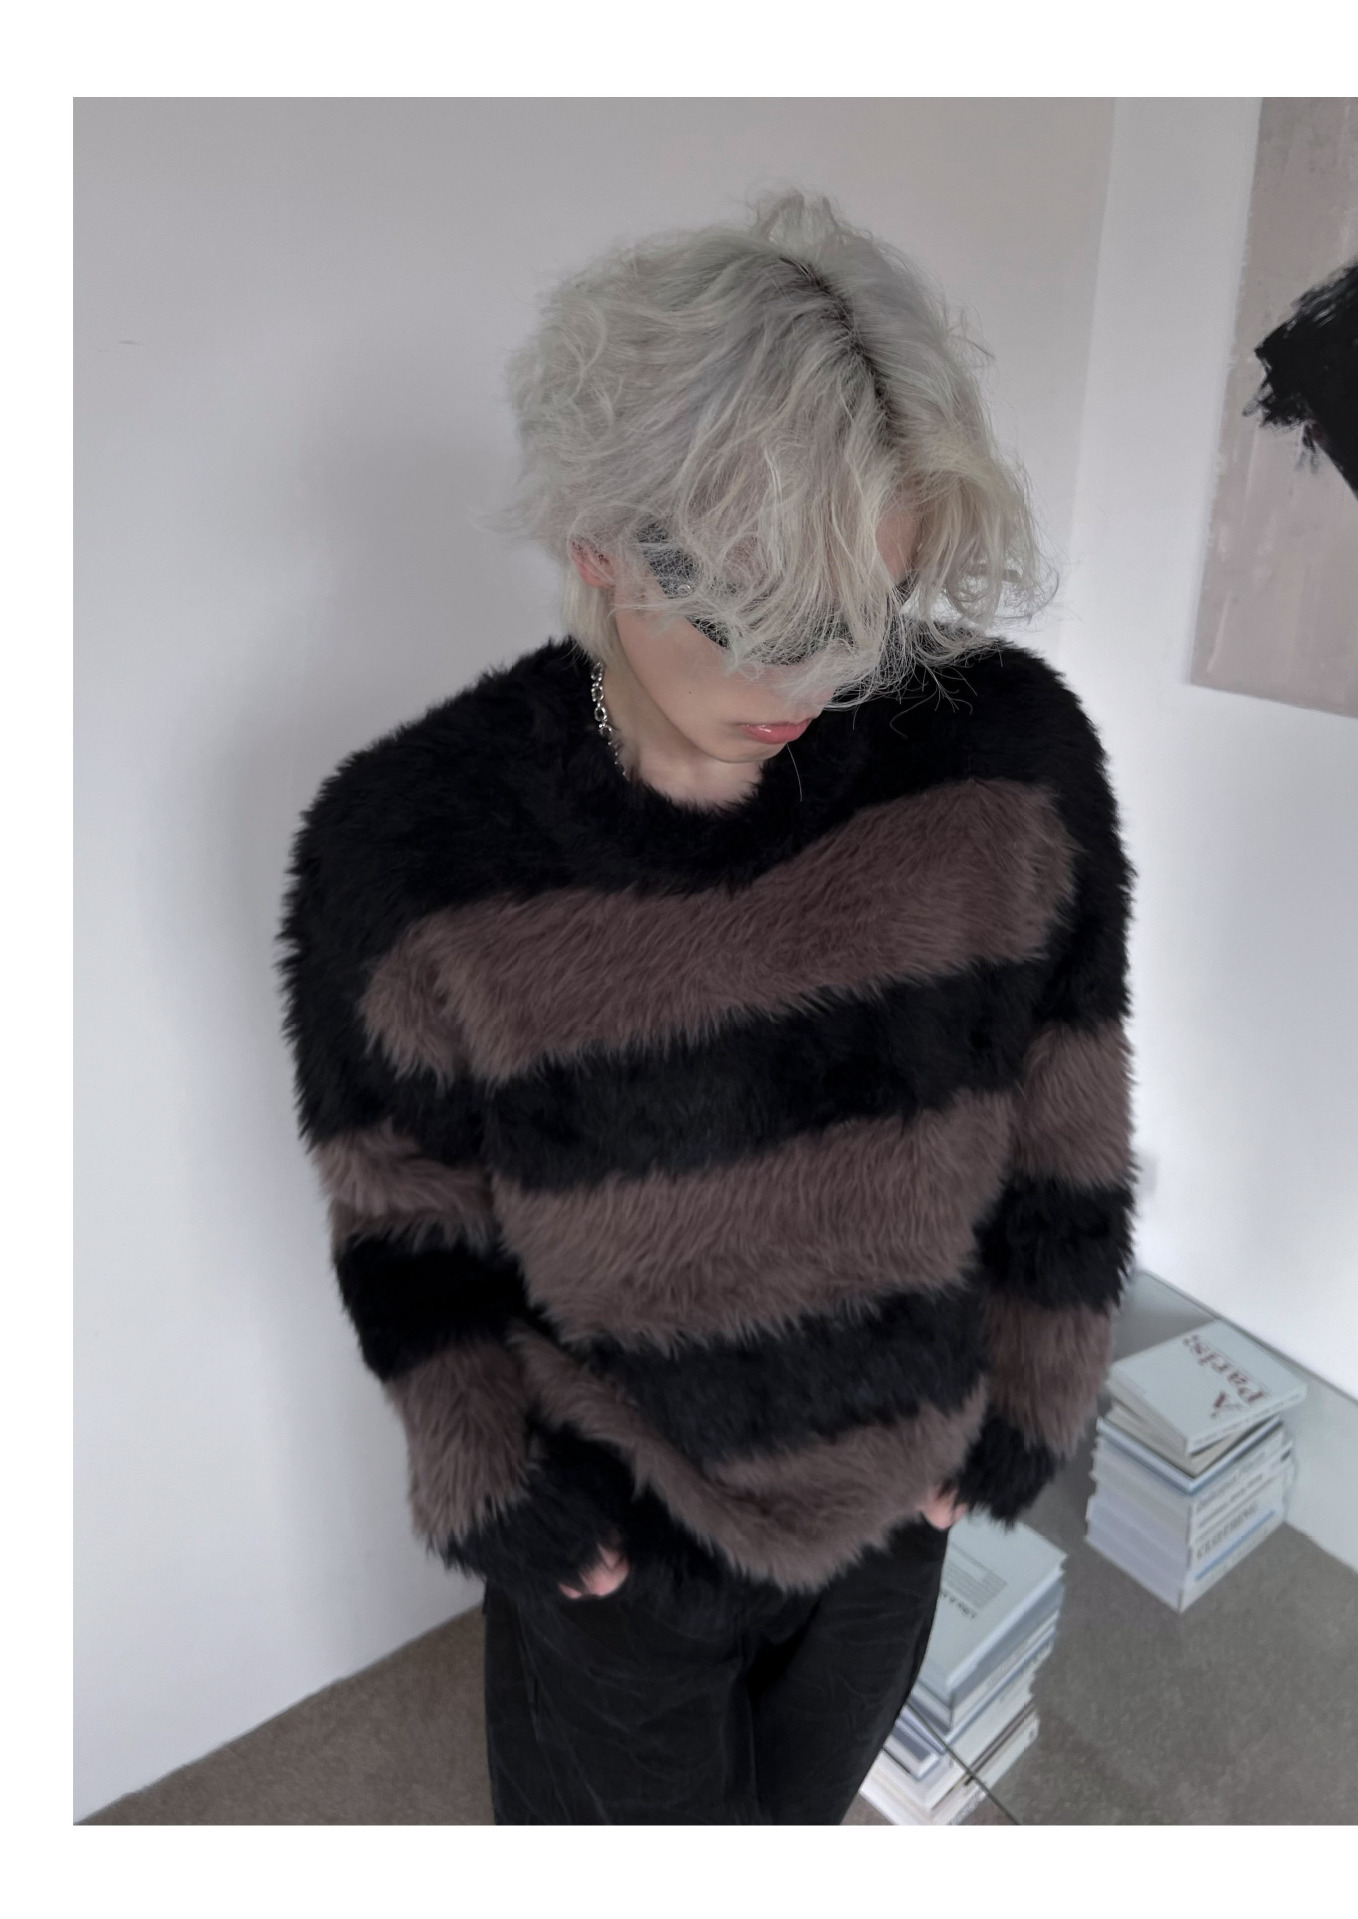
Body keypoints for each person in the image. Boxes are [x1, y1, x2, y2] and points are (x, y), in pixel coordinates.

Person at [277, 189, 1135, 1824]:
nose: (811, 684)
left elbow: (1067, 1103)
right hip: (624, 1535)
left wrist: (1030, 1404)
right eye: (764, 624)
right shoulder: (411, 853)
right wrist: (492, 1481)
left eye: (863, 624)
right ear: (600, 547)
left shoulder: (1003, 765)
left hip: (896, 1508)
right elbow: (401, 1207)